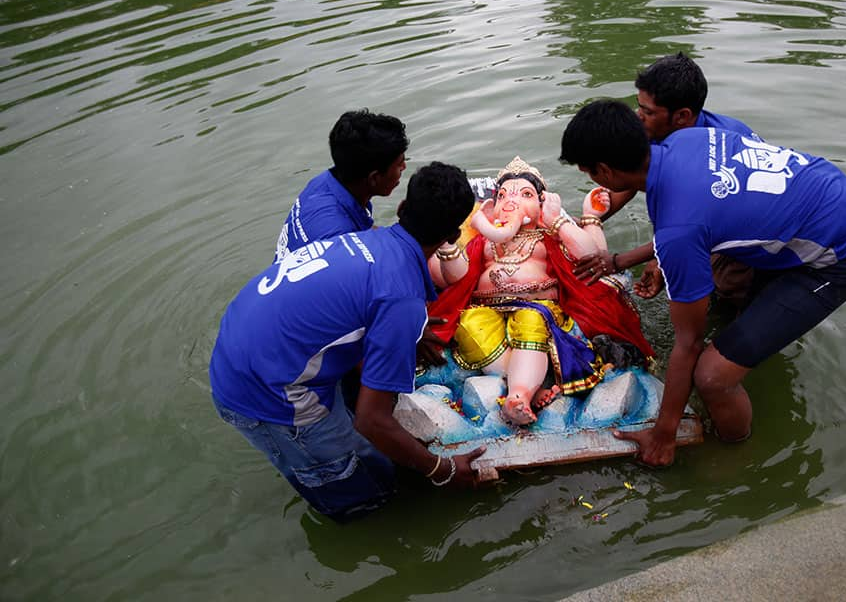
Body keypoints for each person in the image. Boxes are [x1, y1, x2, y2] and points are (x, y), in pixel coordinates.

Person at [559, 100, 846, 466]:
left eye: (589, 173)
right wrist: (645, 259)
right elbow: (698, 218)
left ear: (604, 171)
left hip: (841, 254)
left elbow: (688, 342)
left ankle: (738, 456)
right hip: (829, 195)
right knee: (739, 327)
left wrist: (664, 435)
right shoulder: (688, 140)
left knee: (712, 375)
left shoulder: (680, 228)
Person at [210, 162, 485, 522]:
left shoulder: (359, 237)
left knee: (374, 459)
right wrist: (442, 470)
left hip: (239, 345)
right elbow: (373, 421)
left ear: (401, 209)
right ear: (453, 235)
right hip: (264, 391)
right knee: (361, 493)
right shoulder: (400, 297)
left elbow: (352, 308)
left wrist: (400, 331)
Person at [426, 157, 654, 426]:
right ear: (491, 208)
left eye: (525, 194)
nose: (511, 201)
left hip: (538, 310)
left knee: (530, 319)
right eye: (502, 195)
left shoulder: (546, 236)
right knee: (468, 324)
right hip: (487, 308)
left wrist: (567, 220)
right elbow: (448, 279)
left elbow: (591, 255)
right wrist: (446, 244)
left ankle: (518, 395)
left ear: (541, 205)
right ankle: (532, 387)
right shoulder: (484, 242)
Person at [573, 53, 760, 301]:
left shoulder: (716, 154)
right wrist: (588, 221)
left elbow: (696, 228)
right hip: (699, 222)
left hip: (744, 234)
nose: (638, 116)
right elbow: (630, 178)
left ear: (681, 116)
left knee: (728, 289)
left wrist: (642, 259)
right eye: (639, 105)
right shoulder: (657, 125)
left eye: (646, 110)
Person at [273, 109, 409, 263]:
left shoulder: (324, 183)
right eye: (399, 164)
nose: (404, 167)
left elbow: (366, 232)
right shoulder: (340, 243)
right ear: (374, 178)